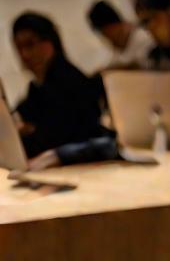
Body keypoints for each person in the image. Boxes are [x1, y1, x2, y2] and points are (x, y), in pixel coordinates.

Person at [9, 12, 118, 169]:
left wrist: (32, 130)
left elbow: (60, 135)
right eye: (19, 48)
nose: (25, 54)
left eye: (30, 44)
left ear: (50, 42)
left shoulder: (70, 80)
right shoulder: (36, 87)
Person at [87, 0, 157, 67]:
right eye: (107, 37)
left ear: (118, 25)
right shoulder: (117, 50)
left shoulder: (144, 36)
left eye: (112, 36)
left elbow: (142, 66)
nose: (112, 41)